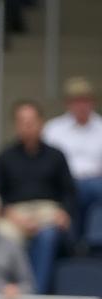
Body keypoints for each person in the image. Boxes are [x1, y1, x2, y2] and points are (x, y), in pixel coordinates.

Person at [0, 99, 78, 294]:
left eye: (31, 121)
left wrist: (63, 213)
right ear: (16, 125)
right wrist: (11, 214)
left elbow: (70, 192)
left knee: (48, 236)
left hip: (48, 211)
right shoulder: (4, 156)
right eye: (22, 121)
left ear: (41, 123)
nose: (27, 126)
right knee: (4, 236)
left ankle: (36, 294)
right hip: (15, 213)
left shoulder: (56, 155)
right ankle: (7, 291)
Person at [43, 76, 102, 233]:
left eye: (85, 100)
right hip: (63, 183)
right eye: (76, 101)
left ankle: (94, 246)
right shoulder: (53, 129)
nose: (81, 106)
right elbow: (46, 161)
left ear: (93, 102)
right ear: (68, 104)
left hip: (97, 182)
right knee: (70, 192)